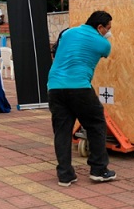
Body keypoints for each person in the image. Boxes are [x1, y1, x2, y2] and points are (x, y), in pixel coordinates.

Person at [48, 10, 116, 187]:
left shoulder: (68, 32)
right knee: (96, 124)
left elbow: (59, 51)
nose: (109, 32)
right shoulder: (103, 43)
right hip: (79, 87)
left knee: (62, 131)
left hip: (54, 86)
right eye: (107, 28)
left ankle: (65, 175)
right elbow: (101, 52)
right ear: (99, 27)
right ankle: (99, 170)